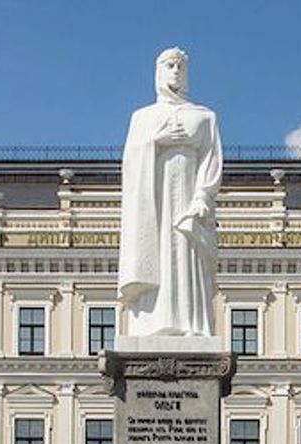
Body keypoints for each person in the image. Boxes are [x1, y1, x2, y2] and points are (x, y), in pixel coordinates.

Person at [118, 48, 223, 337]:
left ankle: (191, 324)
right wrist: (155, 141)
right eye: (169, 65)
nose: (175, 71)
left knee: (186, 252)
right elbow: (129, 163)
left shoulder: (204, 117)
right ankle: (151, 322)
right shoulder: (143, 117)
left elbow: (211, 159)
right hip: (155, 202)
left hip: (189, 200)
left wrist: (202, 197)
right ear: (158, 71)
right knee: (160, 251)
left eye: (180, 66)